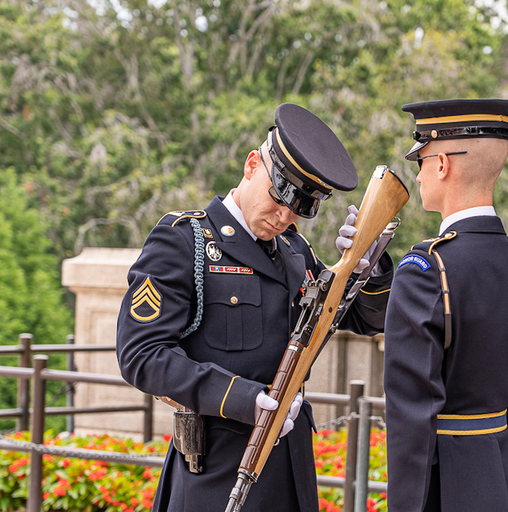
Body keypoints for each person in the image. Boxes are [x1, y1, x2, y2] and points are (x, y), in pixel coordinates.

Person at [116, 103, 393, 512]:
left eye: (298, 209)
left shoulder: (296, 252)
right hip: (217, 475)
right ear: (251, 166)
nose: (283, 216)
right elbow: (141, 355)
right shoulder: (184, 241)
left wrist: (371, 265)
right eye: (278, 197)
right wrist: (243, 397)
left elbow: (362, 318)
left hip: (290, 473)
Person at [383, 99, 508, 512]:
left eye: (422, 160)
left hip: (447, 490)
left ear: (443, 165)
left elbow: (410, 421)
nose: (418, 174)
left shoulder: (425, 269)